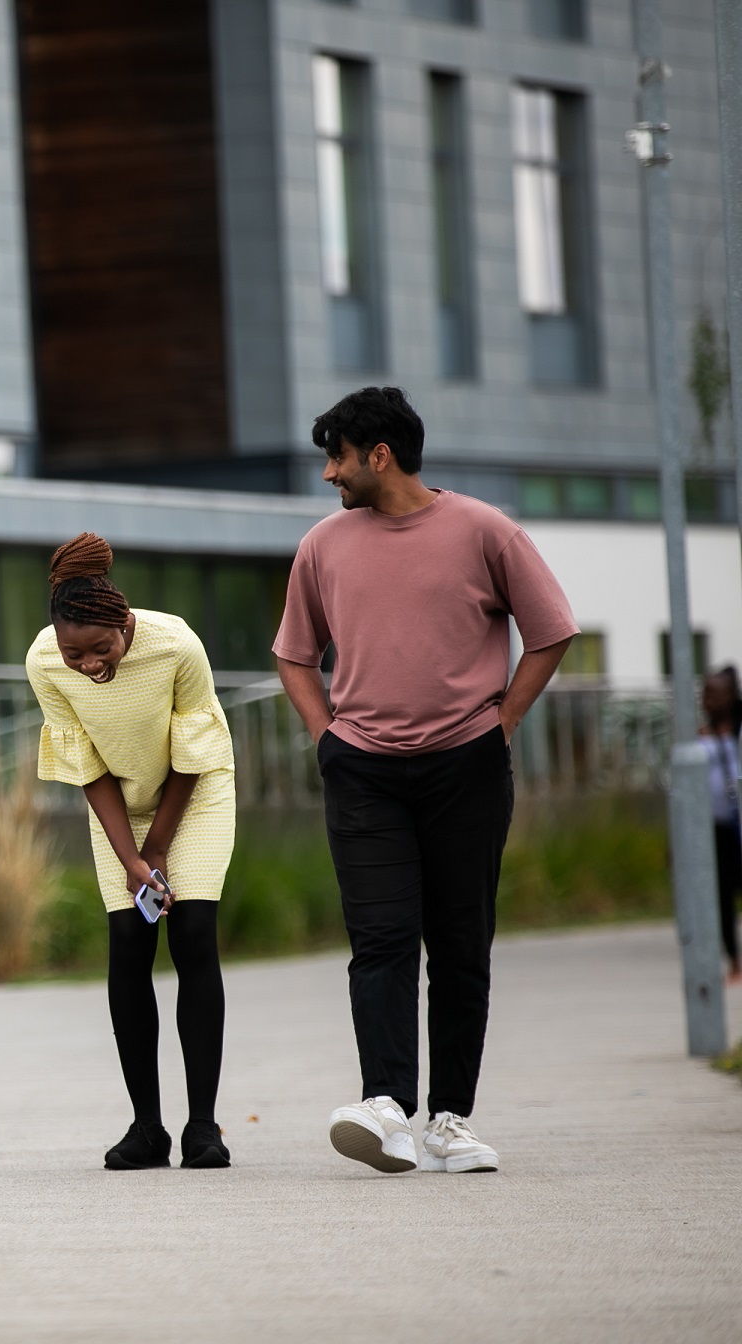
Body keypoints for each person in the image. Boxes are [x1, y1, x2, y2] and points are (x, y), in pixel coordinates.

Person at [274, 386, 576, 1176]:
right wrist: (326, 737)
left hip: (464, 765)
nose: (329, 474)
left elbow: (552, 630)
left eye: (338, 457)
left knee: (460, 945)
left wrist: (504, 720)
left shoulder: (485, 531)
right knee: (379, 941)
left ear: (380, 455)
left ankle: (448, 1120)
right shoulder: (322, 546)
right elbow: (294, 654)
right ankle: (385, 1107)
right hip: (363, 771)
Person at [25, 533, 236, 1170]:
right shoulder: (44, 661)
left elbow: (194, 752)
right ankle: (148, 1129)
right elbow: (85, 765)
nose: (88, 663)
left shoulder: (175, 645)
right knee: (129, 942)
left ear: (124, 625)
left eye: (102, 648)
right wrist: (133, 860)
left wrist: (158, 848)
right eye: (75, 652)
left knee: (192, 933)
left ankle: (203, 1127)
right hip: (118, 802)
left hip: (194, 794)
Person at [702, 666, 742, 985]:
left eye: (716, 694)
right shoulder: (700, 734)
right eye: (706, 694)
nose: (709, 700)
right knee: (722, 895)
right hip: (716, 827)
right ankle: (734, 960)